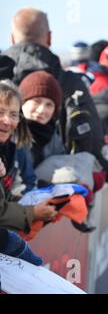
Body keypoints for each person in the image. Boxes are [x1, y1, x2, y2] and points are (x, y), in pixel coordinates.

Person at [2, 8, 107, 188]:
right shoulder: (71, 82)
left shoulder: (3, 71)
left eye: (49, 104)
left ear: (12, 37)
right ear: (49, 38)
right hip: (49, 198)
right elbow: (93, 140)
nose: (41, 109)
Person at [0, 80, 56, 233]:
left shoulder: (13, 146)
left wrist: (34, 204)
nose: (7, 121)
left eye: (13, 115)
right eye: (0, 112)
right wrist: (32, 212)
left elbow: (9, 195)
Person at [19, 71, 66, 169]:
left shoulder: (53, 138)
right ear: (22, 102)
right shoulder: (8, 132)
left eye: (49, 105)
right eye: (36, 101)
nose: (41, 110)